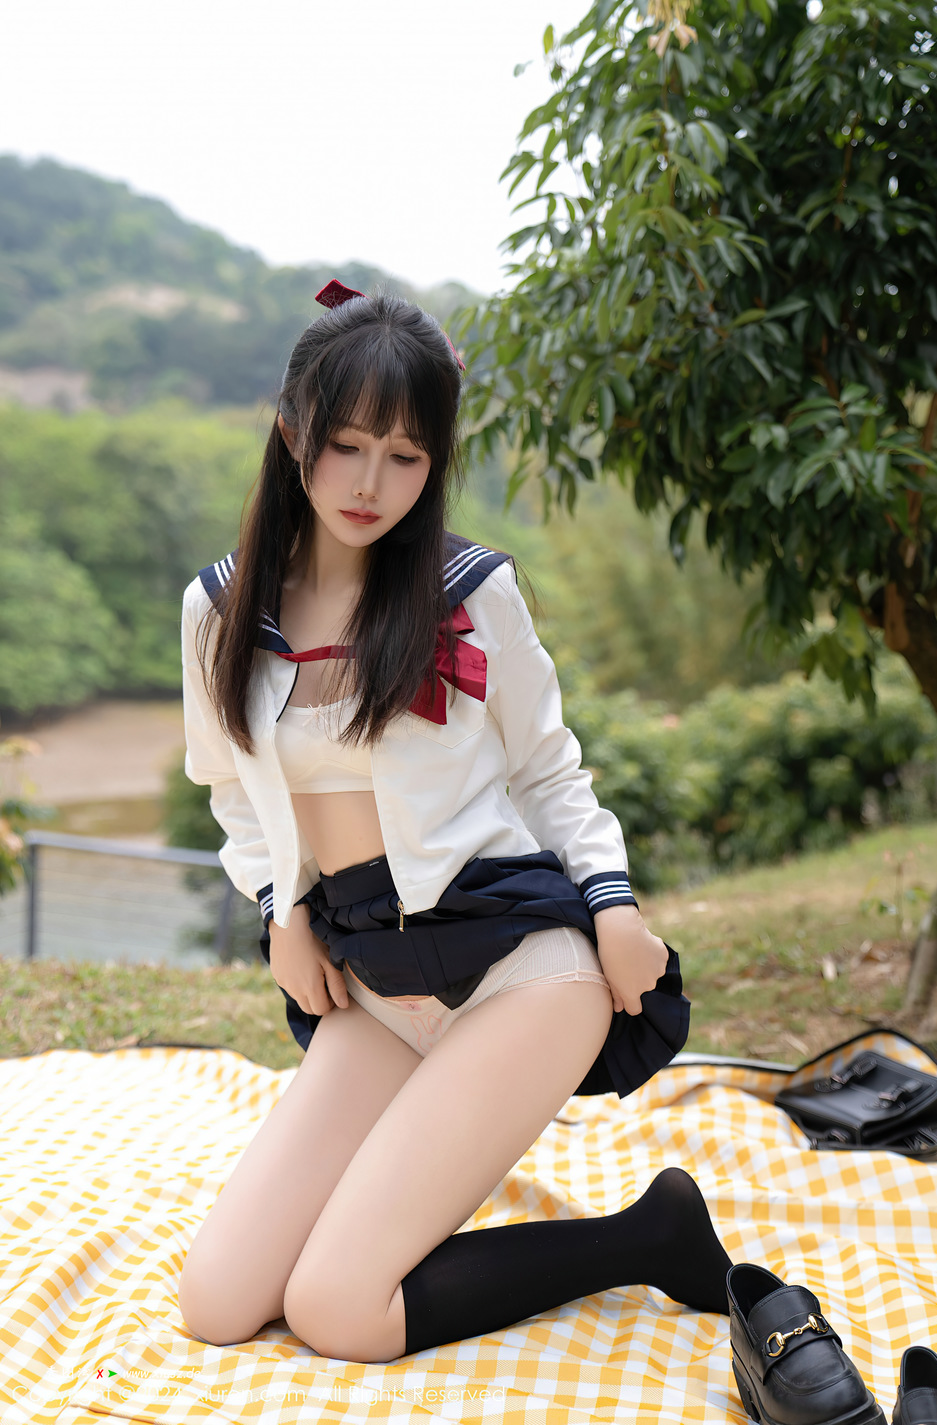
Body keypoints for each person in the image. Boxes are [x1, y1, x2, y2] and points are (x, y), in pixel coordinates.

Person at [176, 282, 733, 1365]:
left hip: (517, 968)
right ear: (291, 431)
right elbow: (230, 790)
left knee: (340, 1310)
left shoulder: (469, 591)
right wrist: (279, 911)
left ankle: (648, 1237)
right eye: (345, 445)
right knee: (220, 1300)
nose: (369, 483)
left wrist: (615, 908)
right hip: (372, 977)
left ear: (434, 462)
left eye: (404, 456)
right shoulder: (222, 610)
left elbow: (549, 769)